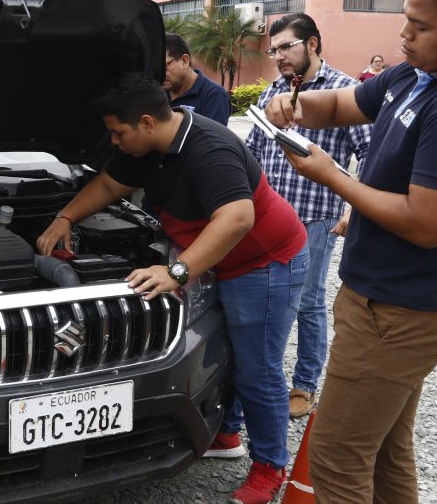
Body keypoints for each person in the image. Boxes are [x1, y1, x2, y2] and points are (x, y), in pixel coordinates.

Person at [265, 0, 437, 503]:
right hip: (385, 301)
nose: (404, 35)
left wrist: (332, 176)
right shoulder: (419, 74)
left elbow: (427, 224)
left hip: (401, 311)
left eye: (420, 25)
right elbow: (344, 104)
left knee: (337, 460)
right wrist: (297, 107)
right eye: (406, 18)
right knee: (385, 451)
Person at [37, 72, 307, 504]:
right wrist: (65, 217)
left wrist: (177, 272)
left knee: (258, 367)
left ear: (147, 122)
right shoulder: (145, 147)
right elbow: (108, 184)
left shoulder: (209, 148)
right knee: (222, 352)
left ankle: (270, 467)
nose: (115, 142)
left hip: (262, 263)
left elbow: (237, 219)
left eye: (118, 133)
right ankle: (226, 435)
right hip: (209, 259)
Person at [245, 12, 370, 419]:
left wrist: (354, 207)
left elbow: (371, 153)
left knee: (309, 302)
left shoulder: (344, 91)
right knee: (268, 296)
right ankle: (264, 379)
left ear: (312, 44)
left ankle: (305, 383)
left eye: (286, 47)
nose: (279, 56)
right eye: (274, 50)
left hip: (316, 217)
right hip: (269, 218)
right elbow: (254, 153)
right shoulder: (272, 93)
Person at [162, 33, 232, 125]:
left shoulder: (215, 95)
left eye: (164, 67)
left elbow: (212, 134)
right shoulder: (158, 93)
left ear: (184, 61)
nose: (160, 74)